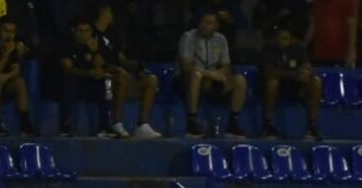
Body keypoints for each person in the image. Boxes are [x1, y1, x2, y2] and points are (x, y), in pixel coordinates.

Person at [92, 2, 162, 138]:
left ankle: (142, 125)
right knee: (122, 75)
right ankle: (116, 123)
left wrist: (137, 67)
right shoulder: (92, 33)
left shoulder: (113, 34)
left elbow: (121, 58)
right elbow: (97, 62)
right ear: (104, 11)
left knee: (151, 80)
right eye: (110, 11)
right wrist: (117, 69)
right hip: (106, 80)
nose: (112, 15)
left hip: (122, 79)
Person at [175, 9, 247, 138]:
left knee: (239, 80)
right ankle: (191, 122)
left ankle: (233, 123)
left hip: (210, 79)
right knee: (196, 75)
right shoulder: (188, 37)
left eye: (208, 23)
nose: (204, 25)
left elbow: (226, 67)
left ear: (216, 26)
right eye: (202, 21)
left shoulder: (221, 39)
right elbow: (186, 67)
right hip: (187, 79)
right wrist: (211, 74)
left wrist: (215, 75)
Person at [260, 26, 322, 140]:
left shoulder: (299, 48)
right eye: (279, 38)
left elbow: (306, 66)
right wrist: (294, 74)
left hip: (295, 87)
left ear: (291, 39)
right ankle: (268, 125)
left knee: (316, 82)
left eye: (285, 38)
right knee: (272, 83)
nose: (281, 41)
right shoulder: (268, 48)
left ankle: (312, 127)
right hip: (276, 89)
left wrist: (306, 73)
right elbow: (268, 72)